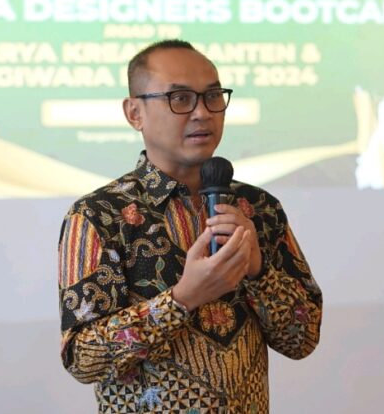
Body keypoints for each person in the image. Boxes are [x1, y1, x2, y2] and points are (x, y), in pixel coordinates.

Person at [57, 40, 322, 413]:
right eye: (180, 98)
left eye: (212, 96)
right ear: (134, 113)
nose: (202, 113)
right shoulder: (99, 215)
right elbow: (82, 359)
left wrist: (259, 271)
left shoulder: (259, 208)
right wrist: (182, 299)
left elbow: (303, 339)